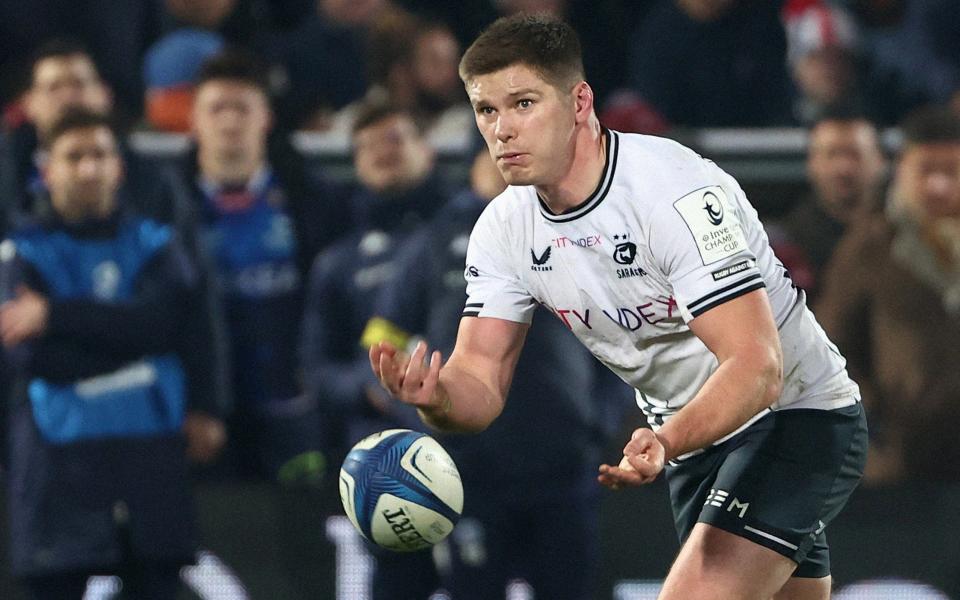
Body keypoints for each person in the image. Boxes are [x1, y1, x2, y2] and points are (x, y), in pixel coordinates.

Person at [370, 14, 867, 600]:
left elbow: (758, 366)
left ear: (580, 102)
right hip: (691, 441)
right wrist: (440, 400)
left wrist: (668, 440)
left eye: (523, 103)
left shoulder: (672, 192)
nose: (502, 129)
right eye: (486, 110)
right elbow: (481, 377)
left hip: (795, 415)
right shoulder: (503, 229)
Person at [364, 149, 634, 599]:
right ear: (475, 163)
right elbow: (382, 340)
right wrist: (414, 410)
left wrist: (598, 420)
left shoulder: (586, 233)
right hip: (471, 467)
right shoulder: (438, 238)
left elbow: (624, 335)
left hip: (563, 464)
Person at [0, 109, 219, 600]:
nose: (89, 168)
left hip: (149, 469)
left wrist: (57, 315)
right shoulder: (18, 252)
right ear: (47, 170)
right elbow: (34, 358)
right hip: (56, 473)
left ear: (119, 167)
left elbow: (168, 322)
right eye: (74, 156)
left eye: (100, 154)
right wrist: (139, 348)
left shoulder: (156, 243)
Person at [300, 101, 447, 599]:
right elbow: (316, 370)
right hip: (389, 456)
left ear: (426, 150)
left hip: (478, 444)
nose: (381, 152)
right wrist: (369, 387)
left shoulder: (476, 234)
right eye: (366, 146)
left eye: (395, 138)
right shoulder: (338, 263)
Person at [177, 49, 343, 483]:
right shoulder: (164, 211)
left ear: (265, 117)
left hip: (293, 404)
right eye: (217, 109)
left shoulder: (313, 201)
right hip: (206, 411)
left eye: (242, 108)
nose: (230, 121)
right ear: (193, 121)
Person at [816, 105, 960, 485]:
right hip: (901, 467)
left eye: (952, 170)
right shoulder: (869, 247)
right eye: (926, 170)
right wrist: (867, 431)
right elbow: (830, 348)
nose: (939, 186)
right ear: (902, 170)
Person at [766, 112, 887, 301]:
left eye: (855, 155)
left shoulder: (904, 240)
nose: (843, 168)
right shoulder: (781, 246)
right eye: (832, 155)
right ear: (811, 163)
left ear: (881, 162)